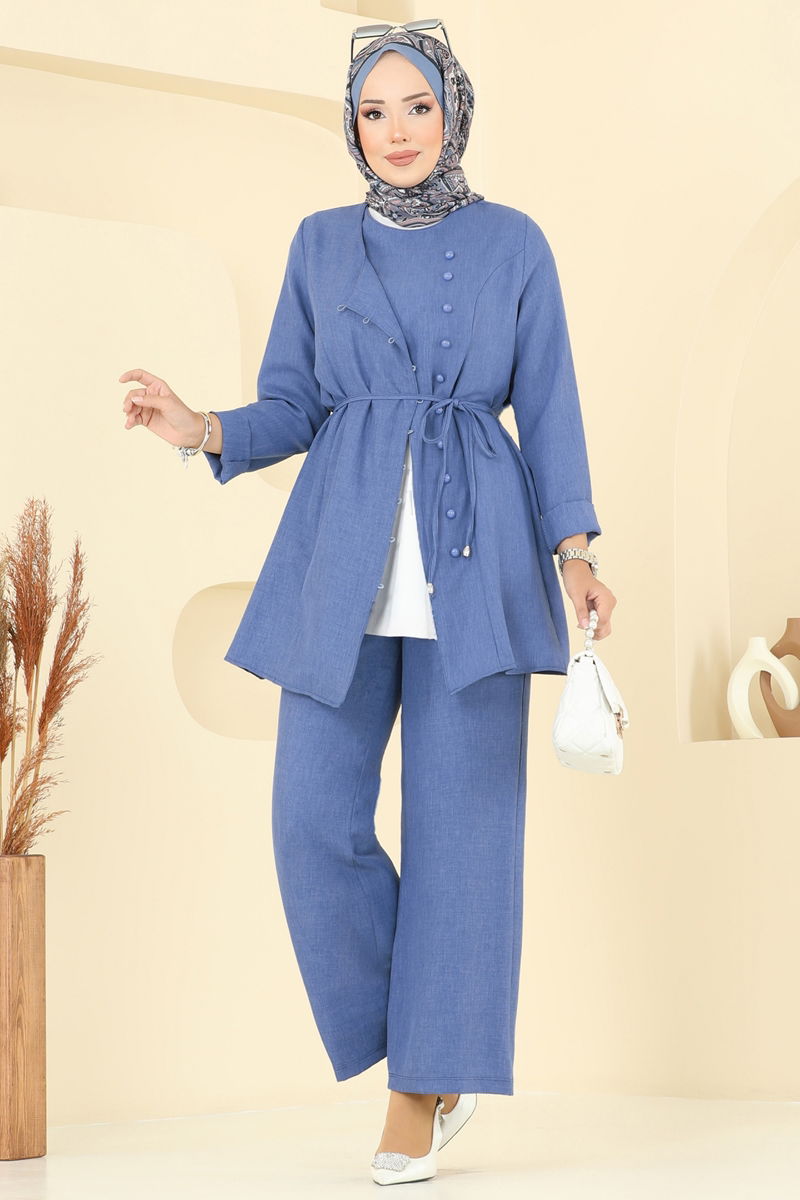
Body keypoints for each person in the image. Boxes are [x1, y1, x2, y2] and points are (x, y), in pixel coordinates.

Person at [119, 21, 617, 1187]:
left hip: (478, 565)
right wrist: (202, 428)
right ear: (351, 125)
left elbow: (548, 401)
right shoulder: (317, 243)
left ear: (453, 112)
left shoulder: (514, 243)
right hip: (337, 565)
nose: (396, 131)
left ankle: (419, 1089)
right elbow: (292, 403)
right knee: (309, 822)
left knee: (464, 840)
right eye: (373, 111)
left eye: (416, 107)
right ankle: (431, 1039)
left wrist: (575, 554)